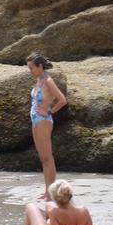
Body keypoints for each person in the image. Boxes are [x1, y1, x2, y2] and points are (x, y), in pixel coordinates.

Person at [27, 52, 67, 201]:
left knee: (48, 158)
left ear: (40, 66)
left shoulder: (48, 81)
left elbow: (62, 100)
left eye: (31, 68)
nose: (29, 70)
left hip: (43, 120)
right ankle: (47, 191)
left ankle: (51, 193)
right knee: (43, 159)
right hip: (36, 120)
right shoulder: (39, 80)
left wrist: (50, 110)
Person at [23, 180, 94, 225]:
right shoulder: (84, 210)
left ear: (54, 198)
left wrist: (49, 222)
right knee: (49, 205)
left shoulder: (55, 212)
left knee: (30, 206)